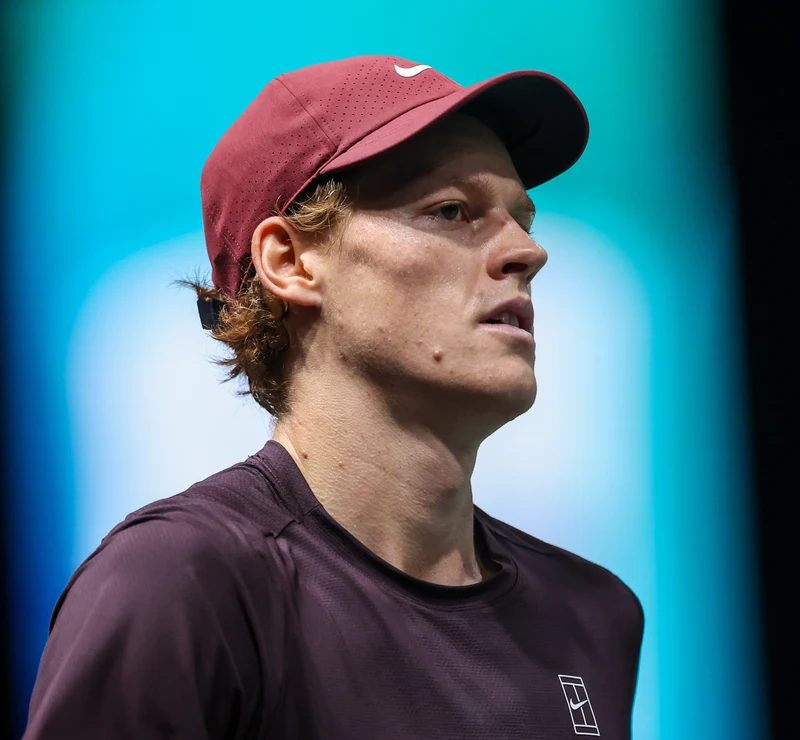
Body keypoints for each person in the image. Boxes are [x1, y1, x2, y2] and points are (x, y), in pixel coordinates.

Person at [24, 55, 643, 739]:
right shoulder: (180, 584)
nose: (527, 252)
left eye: (522, 218)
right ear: (290, 262)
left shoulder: (593, 615)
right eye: (451, 210)